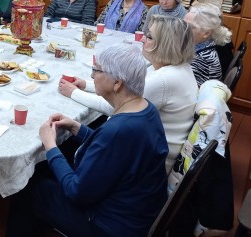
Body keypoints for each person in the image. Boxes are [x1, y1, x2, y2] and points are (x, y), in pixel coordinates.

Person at [6, 44, 168, 237]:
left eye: (96, 70)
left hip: (108, 225)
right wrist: (77, 127)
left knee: (29, 185)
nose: (91, 76)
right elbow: (113, 153)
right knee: (54, 163)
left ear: (117, 83)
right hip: (137, 209)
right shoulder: (145, 109)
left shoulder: (118, 130)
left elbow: (76, 191)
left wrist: (50, 146)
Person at [59, 15, 197, 173]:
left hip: (147, 164)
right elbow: (124, 86)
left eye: (150, 37)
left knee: (65, 146)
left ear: (166, 44)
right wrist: (87, 85)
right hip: (145, 147)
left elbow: (117, 106)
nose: (143, 40)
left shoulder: (163, 79)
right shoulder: (177, 67)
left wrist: (74, 93)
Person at [184, 2, 233, 86]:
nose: (182, 29)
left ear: (206, 33)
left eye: (190, 27)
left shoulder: (201, 59)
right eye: (183, 23)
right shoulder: (206, 43)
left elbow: (186, 90)